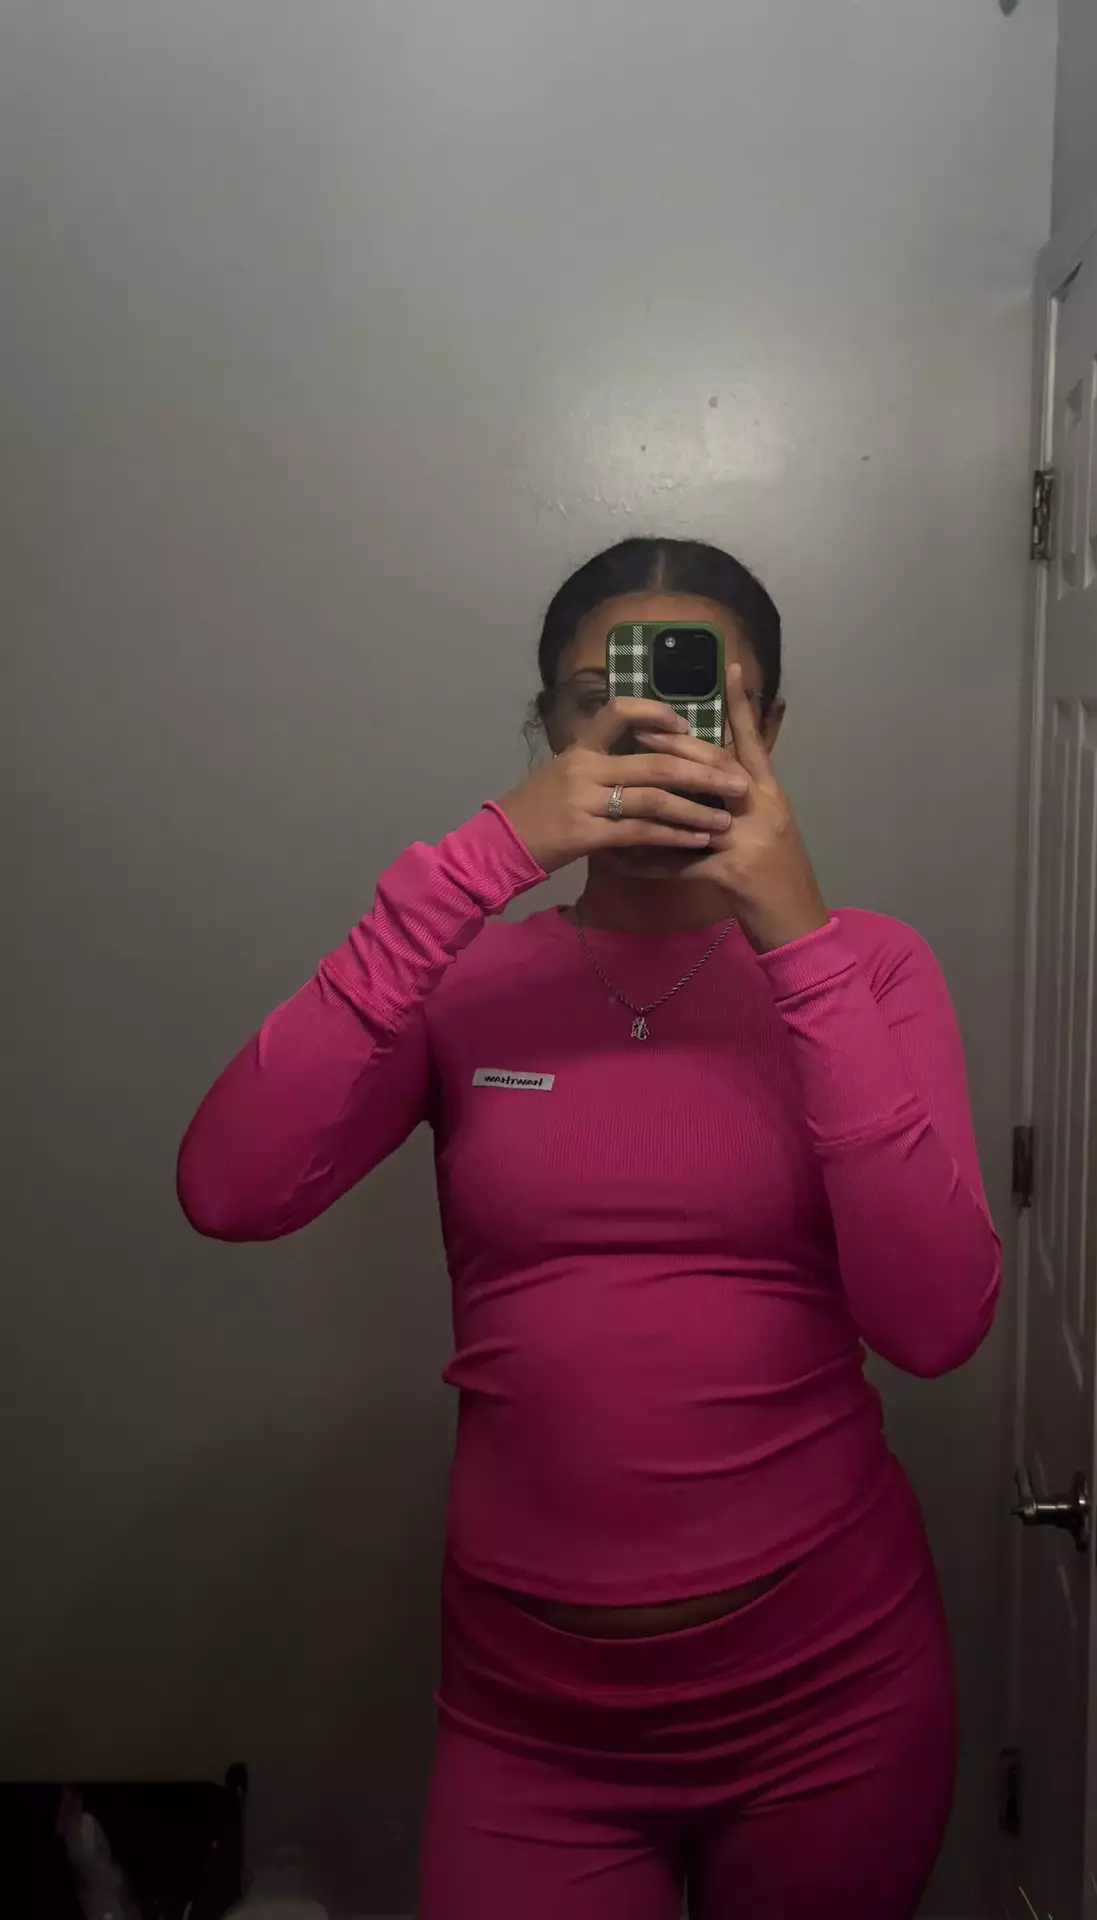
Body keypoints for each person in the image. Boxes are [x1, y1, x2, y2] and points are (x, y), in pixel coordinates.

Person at [178, 537, 1002, 1920]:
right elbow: (230, 1188)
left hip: (833, 1691)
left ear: (771, 726)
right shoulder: (469, 982)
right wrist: (483, 859)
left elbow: (935, 1325)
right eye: (596, 698)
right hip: (531, 1720)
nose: (651, 732)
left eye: (707, 698)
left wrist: (796, 939)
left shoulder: (868, 964)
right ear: (552, 728)